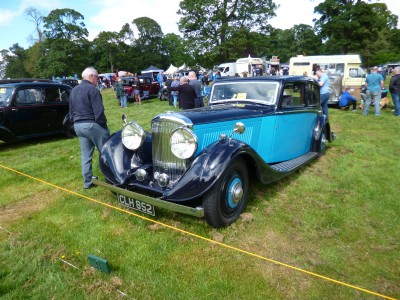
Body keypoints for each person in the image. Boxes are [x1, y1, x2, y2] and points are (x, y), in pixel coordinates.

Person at [69, 67, 110, 189]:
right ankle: (112, 179)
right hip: (92, 124)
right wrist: (104, 127)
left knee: (85, 155)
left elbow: (70, 111)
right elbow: (99, 111)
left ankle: (87, 182)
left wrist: (75, 123)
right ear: (91, 76)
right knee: (107, 152)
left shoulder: (73, 90)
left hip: (78, 126)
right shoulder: (93, 90)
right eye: (97, 77)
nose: (98, 80)